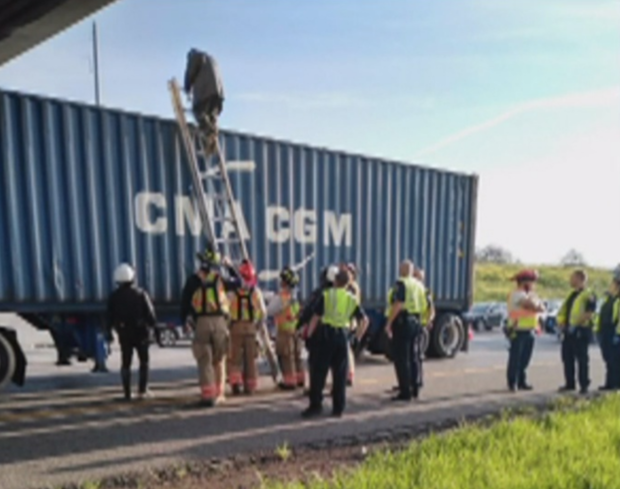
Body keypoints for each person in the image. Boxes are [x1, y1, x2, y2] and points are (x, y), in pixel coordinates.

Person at [302, 270, 368, 418]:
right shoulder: (352, 299)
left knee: (319, 372)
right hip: (342, 337)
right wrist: (356, 337)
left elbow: (315, 317)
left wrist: (309, 334)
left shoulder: (327, 295)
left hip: (326, 336)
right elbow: (364, 320)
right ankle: (338, 408)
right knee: (340, 374)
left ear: (335, 281)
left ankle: (315, 406)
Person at [180, 248, 241, 407]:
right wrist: (229, 266)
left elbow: (185, 303)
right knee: (219, 359)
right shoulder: (220, 279)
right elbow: (238, 283)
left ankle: (208, 395)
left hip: (201, 323)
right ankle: (219, 394)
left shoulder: (192, 281)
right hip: (220, 322)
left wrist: (184, 322)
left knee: (204, 359)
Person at [107, 263, 157, 401]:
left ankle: (127, 393)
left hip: (124, 334)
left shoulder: (114, 297)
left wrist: (109, 333)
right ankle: (142, 390)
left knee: (126, 362)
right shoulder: (141, 294)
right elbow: (151, 315)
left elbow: (109, 317)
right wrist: (154, 329)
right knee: (144, 361)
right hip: (141, 333)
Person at [385, 260, 428, 401]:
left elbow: (398, 304)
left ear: (403, 270)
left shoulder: (401, 283)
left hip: (403, 322)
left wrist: (389, 323)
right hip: (416, 321)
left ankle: (405, 392)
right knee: (413, 356)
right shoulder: (419, 285)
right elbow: (424, 305)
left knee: (402, 359)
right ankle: (415, 387)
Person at [297, 265, 339, 394]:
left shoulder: (320, 293)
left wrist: (301, 326)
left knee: (316, 364)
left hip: (319, 333)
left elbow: (310, 311)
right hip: (337, 333)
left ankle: (315, 390)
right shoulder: (342, 294)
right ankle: (336, 389)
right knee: (336, 365)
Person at [228, 260, 265, 395]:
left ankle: (235, 385)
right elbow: (263, 312)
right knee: (251, 360)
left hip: (235, 328)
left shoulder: (232, 294)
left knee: (235, 359)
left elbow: (226, 311)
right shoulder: (256, 293)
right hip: (251, 328)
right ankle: (250, 387)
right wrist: (258, 326)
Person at [557, 269, 597, 394]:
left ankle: (584, 384)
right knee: (567, 357)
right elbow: (565, 311)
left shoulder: (589, 294)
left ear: (580, 279)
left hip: (581, 330)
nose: (570, 280)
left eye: (572, 278)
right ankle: (570, 383)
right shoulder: (572, 295)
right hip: (568, 331)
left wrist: (576, 324)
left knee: (582, 359)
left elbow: (589, 313)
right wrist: (562, 323)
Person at [505, 270, 545, 392]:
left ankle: (522, 381)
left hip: (529, 330)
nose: (534, 285)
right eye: (532, 282)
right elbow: (532, 306)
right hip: (518, 330)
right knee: (516, 359)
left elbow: (542, 308)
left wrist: (538, 305)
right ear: (525, 282)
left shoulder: (529, 295)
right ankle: (513, 382)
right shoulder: (518, 294)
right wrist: (537, 304)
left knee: (525, 359)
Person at [267, 267, 303, 390]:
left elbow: (270, 311)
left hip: (284, 331)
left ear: (285, 282)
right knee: (297, 356)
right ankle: (300, 379)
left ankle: (290, 382)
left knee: (286, 357)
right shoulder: (296, 298)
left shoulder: (281, 297)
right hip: (296, 331)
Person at [183, 48, 225, 154]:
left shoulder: (195, 57)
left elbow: (190, 72)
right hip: (218, 93)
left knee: (198, 112)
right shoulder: (212, 60)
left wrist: (187, 87)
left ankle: (210, 133)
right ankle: (212, 141)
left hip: (206, 91)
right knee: (212, 116)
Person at [595, 276, 620, 390]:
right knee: (608, 359)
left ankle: (615, 384)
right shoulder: (609, 299)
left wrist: (616, 334)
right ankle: (609, 383)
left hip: (614, 332)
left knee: (615, 360)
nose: (611, 286)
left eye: (613, 284)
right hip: (605, 332)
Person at [413, 267, 434, 390]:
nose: (416, 278)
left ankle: (418, 381)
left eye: (418, 277)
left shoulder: (425, 292)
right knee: (412, 355)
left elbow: (431, 310)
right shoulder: (414, 291)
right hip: (415, 324)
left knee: (418, 355)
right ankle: (410, 381)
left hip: (421, 325)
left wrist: (429, 320)